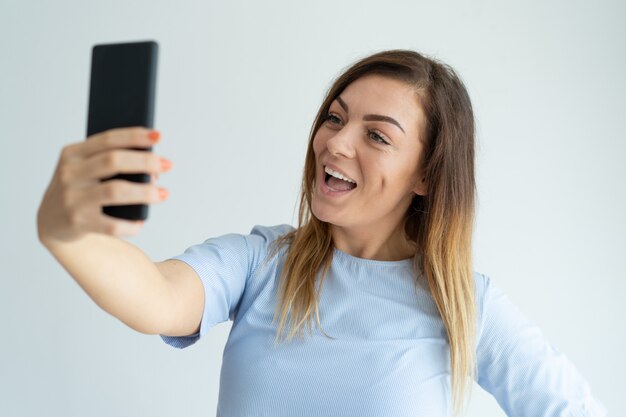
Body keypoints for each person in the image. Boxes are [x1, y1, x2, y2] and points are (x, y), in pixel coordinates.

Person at [37, 49, 606, 416]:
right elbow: (157, 298)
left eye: (377, 136)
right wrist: (70, 235)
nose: (334, 143)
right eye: (335, 118)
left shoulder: (464, 305)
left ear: (429, 176)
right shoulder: (261, 263)